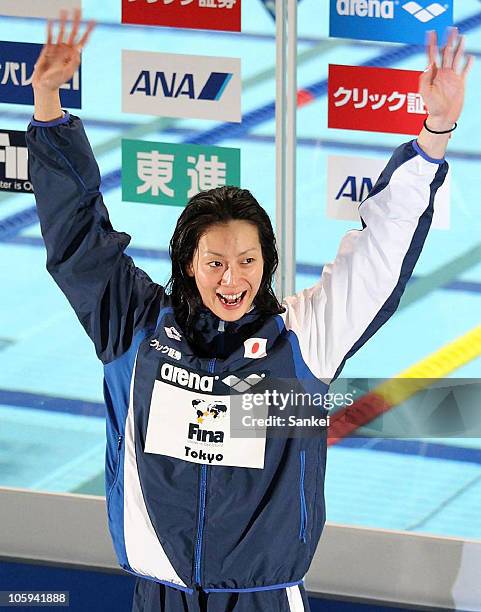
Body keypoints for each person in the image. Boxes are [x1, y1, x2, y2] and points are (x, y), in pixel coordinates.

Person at [26, 9, 473, 612]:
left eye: (247, 261)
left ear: (267, 264)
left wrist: (433, 135)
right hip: (157, 596)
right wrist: (49, 107)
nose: (232, 279)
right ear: (188, 262)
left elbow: (381, 252)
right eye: (215, 262)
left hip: (262, 599)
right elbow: (76, 236)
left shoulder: (303, 339)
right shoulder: (133, 326)